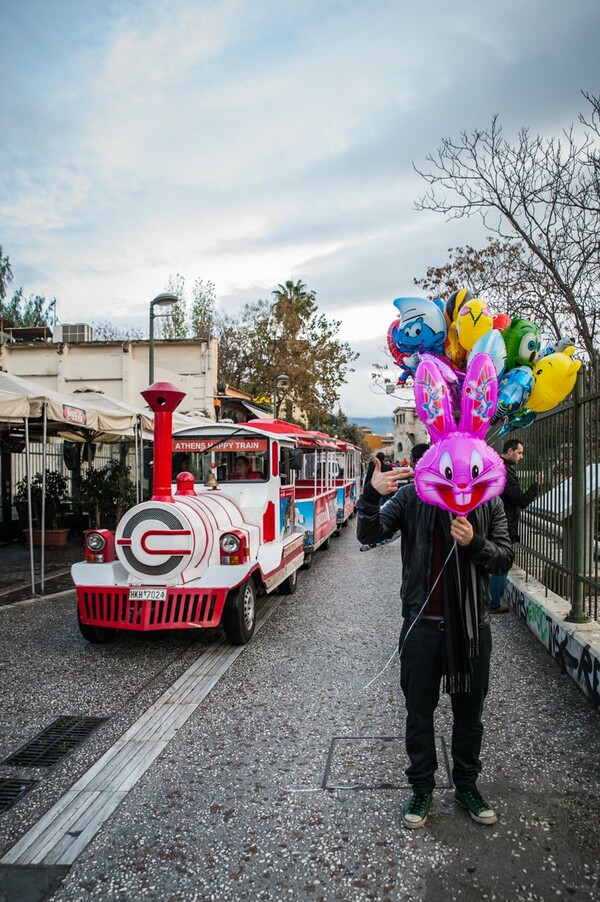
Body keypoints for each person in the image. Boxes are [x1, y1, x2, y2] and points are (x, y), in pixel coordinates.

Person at [357, 456, 513, 830]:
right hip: (421, 627)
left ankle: (467, 786)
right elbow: (369, 534)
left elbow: (505, 558)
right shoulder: (413, 497)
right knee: (418, 713)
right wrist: (370, 498)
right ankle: (422, 788)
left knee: (469, 715)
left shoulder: (488, 500)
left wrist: (475, 542)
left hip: (471, 628)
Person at [489, 439, 540, 614]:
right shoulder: (506, 473)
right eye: (519, 452)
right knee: (502, 564)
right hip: (503, 525)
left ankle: (488, 599)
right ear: (509, 451)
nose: (521, 456)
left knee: (492, 562)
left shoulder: (496, 466)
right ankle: (493, 603)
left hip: (493, 522)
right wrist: (535, 486)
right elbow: (520, 501)